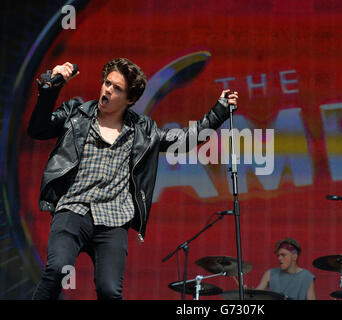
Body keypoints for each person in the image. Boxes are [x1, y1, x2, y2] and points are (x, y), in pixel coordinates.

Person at [28, 58, 238, 299]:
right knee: (55, 271)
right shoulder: (76, 114)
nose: (107, 89)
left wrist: (220, 111)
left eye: (117, 88)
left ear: (130, 100)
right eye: (107, 83)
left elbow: (184, 140)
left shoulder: (143, 131)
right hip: (73, 209)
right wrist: (50, 85)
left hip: (113, 218)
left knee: (110, 290)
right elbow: (38, 129)